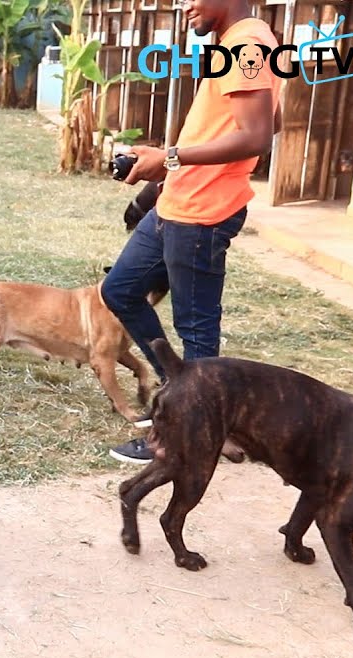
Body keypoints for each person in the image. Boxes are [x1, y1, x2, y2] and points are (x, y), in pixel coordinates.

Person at [101, 0, 281, 463]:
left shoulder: (248, 41)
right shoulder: (235, 42)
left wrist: (172, 157)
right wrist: (164, 162)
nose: (184, 8)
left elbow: (258, 135)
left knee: (196, 329)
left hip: (204, 213)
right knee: (120, 290)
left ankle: (191, 428)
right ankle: (182, 393)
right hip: (176, 204)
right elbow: (263, 120)